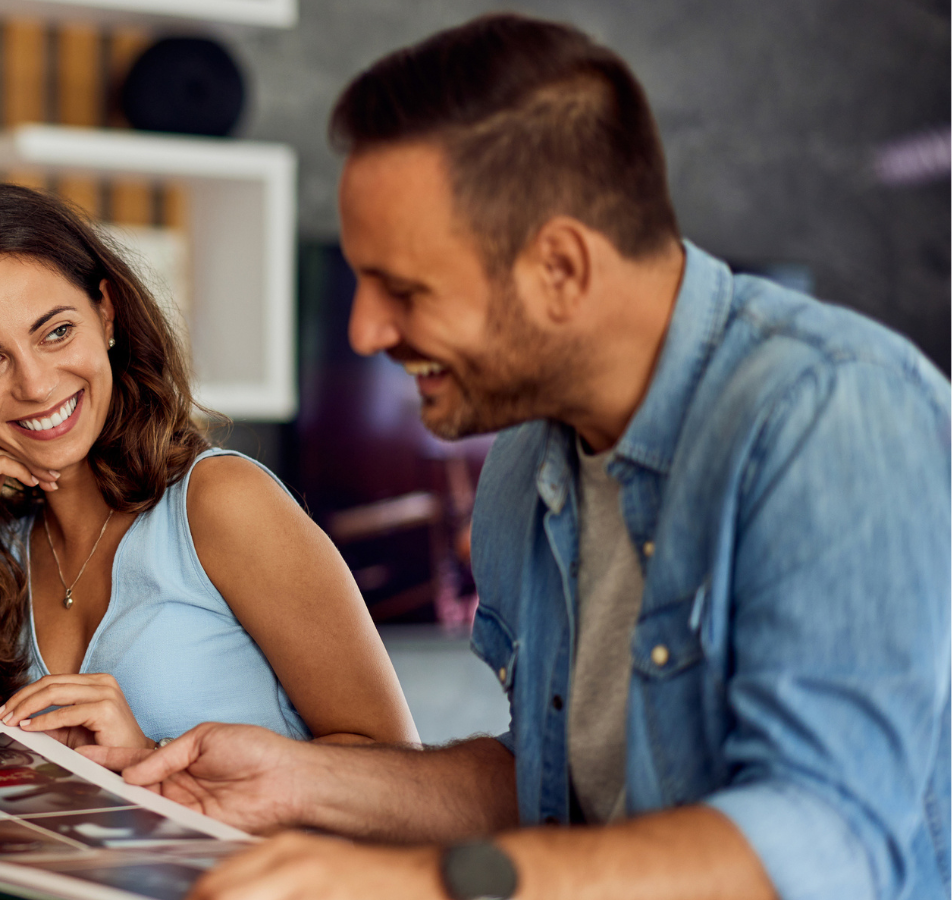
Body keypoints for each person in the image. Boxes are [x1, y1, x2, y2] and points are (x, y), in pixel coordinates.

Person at [82, 13, 951, 900]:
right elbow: (551, 788)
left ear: (562, 269)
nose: (364, 329)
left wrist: (431, 884)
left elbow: (833, 838)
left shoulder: (832, 413)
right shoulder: (523, 467)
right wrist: (304, 779)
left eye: (405, 289)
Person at [0, 183, 419, 752]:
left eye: (56, 331)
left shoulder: (221, 502)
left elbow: (395, 770)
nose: (35, 384)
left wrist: (148, 763)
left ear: (106, 314)